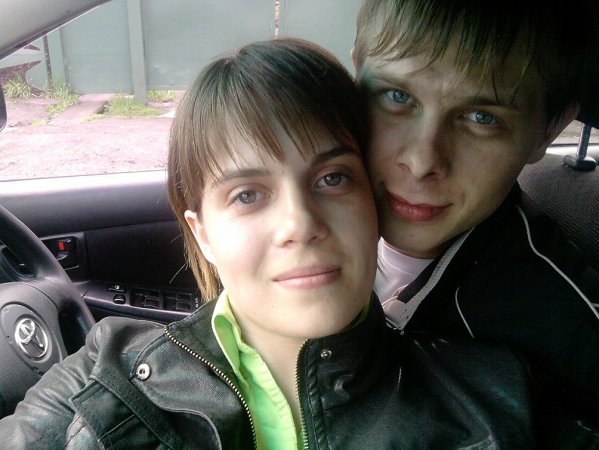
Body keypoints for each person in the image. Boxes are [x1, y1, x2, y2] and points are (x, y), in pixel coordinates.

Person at [0, 38, 533, 448]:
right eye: (248, 195)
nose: (299, 224)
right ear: (203, 234)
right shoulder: (104, 371)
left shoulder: (493, 403)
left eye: (333, 179)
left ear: (374, 201)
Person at [352, 0, 599, 446]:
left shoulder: (571, 350)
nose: (422, 161)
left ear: (547, 131)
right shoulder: (298, 220)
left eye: (482, 117)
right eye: (397, 96)